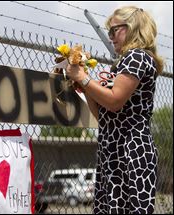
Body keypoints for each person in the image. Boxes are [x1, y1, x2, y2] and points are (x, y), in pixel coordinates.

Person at [66, 6, 164, 214]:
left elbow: (115, 101)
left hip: (130, 152)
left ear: (132, 28)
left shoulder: (137, 57)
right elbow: (104, 116)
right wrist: (85, 87)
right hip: (112, 152)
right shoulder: (121, 64)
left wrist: (84, 78)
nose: (110, 37)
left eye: (113, 31)